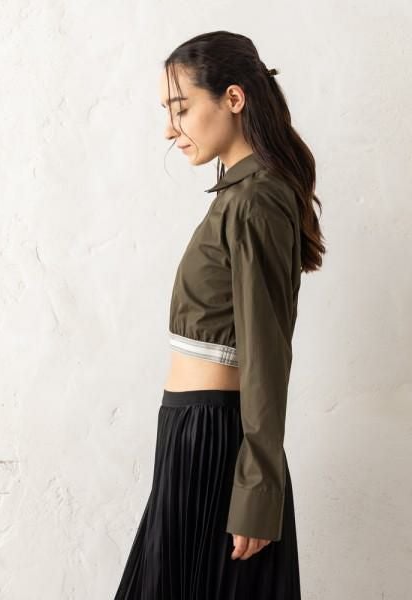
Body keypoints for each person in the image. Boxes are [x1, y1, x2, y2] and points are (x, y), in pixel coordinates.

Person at [114, 30, 325, 599]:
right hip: (192, 431)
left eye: (181, 108)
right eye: (167, 111)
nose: (169, 129)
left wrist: (257, 487)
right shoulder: (238, 196)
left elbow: (266, 354)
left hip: (216, 439)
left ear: (233, 98)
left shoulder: (256, 200)